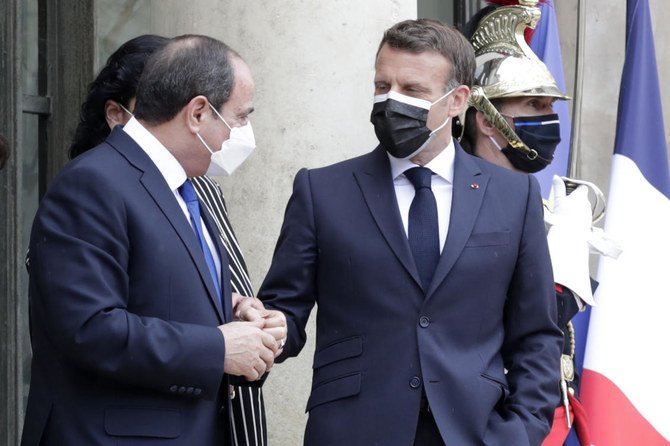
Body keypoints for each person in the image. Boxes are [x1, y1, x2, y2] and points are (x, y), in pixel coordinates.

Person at [257, 19, 562, 445]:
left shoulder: (514, 195)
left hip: (474, 430)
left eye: (412, 90)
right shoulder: (321, 190)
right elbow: (285, 311)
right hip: (353, 431)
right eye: (383, 86)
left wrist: (523, 430)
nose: (390, 101)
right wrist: (263, 327)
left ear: (457, 101)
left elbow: (536, 333)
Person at [21, 35, 285, 445]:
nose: (242, 133)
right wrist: (217, 347)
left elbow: (157, 295)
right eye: (239, 117)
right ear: (198, 112)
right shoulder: (94, 182)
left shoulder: (187, 188)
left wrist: (236, 315)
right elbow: (88, 328)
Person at [458, 2, 620, 445]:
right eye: (532, 104)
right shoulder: (449, 204)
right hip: (482, 420)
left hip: (551, 418)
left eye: (549, 105)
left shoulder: (545, 206)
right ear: (485, 117)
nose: (548, 119)